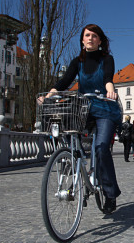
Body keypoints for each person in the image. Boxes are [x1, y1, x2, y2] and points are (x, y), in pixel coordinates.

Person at [39, 24, 121, 214]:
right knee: (66, 130)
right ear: (82, 40)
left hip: (104, 107)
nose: (90, 38)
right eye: (87, 35)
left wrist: (110, 89)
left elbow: (108, 76)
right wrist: (49, 95)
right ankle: (74, 161)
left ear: (100, 41)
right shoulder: (78, 62)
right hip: (83, 109)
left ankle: (109, 194)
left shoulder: (107, 59)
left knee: (101, 148)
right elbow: (64, 82)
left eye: (94, 36)